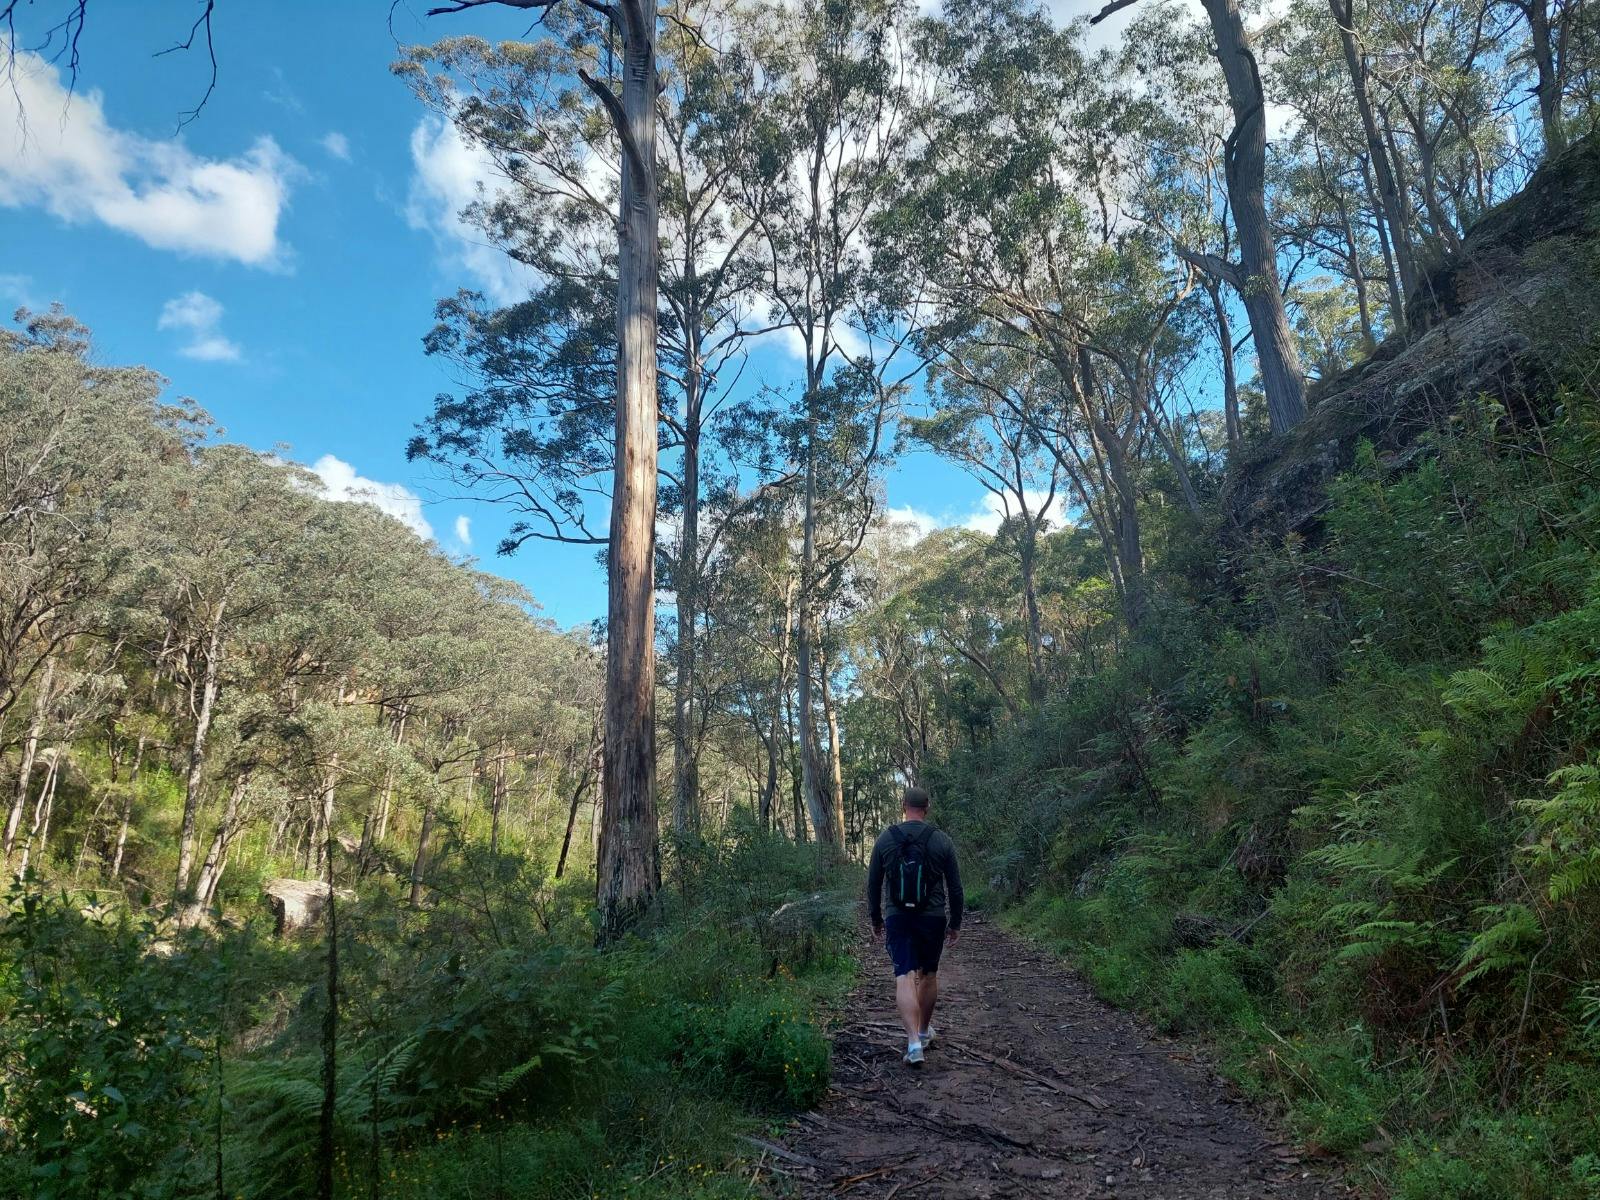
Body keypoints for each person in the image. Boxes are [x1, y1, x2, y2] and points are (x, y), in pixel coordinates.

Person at [866, 785, 963, 1066]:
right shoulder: (942, 840)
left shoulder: (885, 838)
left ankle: (913, 1044)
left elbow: (873, 884)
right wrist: (955, 923)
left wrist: (876, 919)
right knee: (928, 975)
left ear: (903, 806)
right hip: (933, 917)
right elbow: (955, 887)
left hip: (898, 916)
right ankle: (923, 1031)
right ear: (927, 808)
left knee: (905, 975)